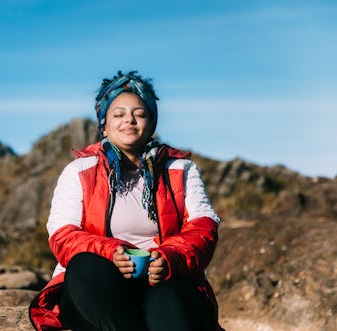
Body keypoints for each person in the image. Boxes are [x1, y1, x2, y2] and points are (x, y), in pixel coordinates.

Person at [29, 71, 223, 331]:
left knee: (170, 301)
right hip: (104, 291)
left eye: (139, 114)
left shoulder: (181, 169)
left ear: (151, 123)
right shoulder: (80, 171)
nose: (129, 121)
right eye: (118, 114)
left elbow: (203, 228)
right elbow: (63, 235)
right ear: (104, 125)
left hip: (163, 282)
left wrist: (169, 259)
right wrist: (111, 253)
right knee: (84, 266)